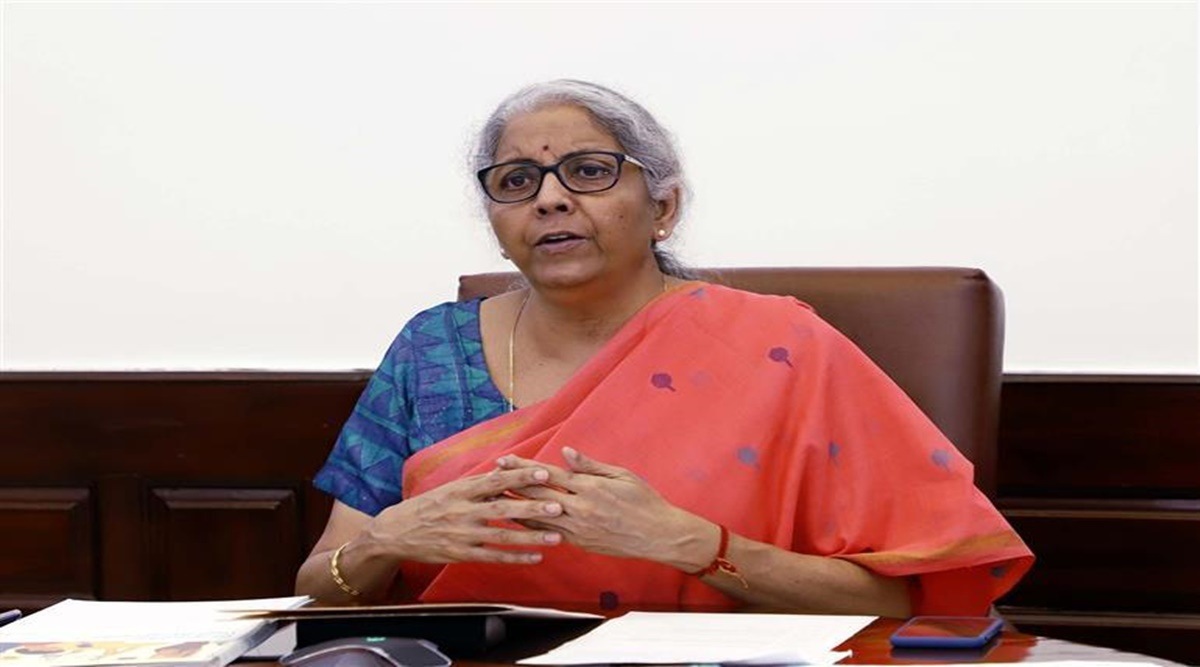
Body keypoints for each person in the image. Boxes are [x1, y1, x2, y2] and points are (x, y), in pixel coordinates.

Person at [295, 79, 1032, 616]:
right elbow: (317, 589)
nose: (549, 198)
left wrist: (698, 546)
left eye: (589, 171)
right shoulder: (431, 348)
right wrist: (384, 541)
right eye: (516, 181)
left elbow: (915, 597)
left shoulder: (781, 349)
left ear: (664, 207)